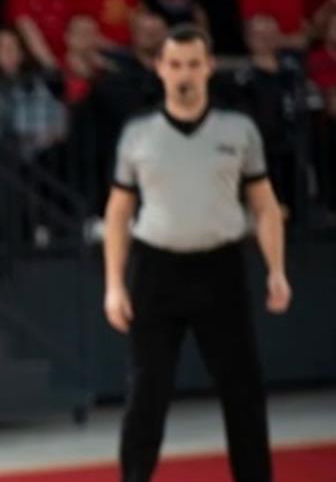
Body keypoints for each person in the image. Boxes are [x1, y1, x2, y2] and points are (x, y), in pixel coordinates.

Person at [103, 25, 290, 482]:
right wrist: (114, 285)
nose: (184, 73)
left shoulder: (238, 130)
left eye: (193, 64)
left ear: (209, 68)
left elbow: (264, 205)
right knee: (147, 391)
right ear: (160, 69)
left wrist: (276, 270)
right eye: (175, 64)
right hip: (157, 267)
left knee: (243, 389)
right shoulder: (138, 135)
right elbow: (118, 211)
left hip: (220, 266)